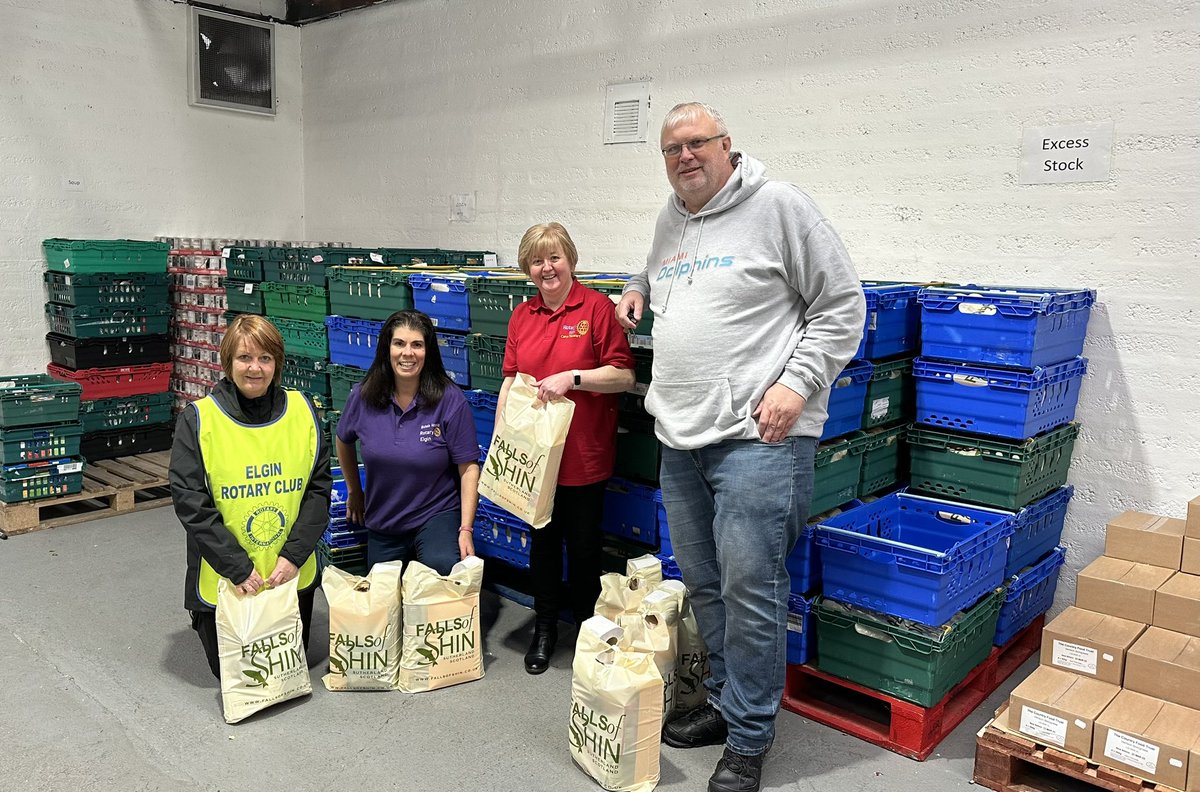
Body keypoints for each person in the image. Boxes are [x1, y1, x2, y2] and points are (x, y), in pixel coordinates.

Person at [616, 103, 866, 792]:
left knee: (752, 591)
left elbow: (843, 303)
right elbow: (660, 271)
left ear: (727, 145)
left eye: (697, 143)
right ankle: (729, 703)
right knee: (705, 584)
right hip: (680, 437)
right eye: (671, 149)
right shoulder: (670, 218)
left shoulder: (780, 206)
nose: (684, 157)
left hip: (759, 438)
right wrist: (636, 287)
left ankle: (751, 736)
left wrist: (797, 383)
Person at [499, 222, 635, 675]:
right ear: (528, 269)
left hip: (582, 454)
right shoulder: (522, 316)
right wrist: (501, 437)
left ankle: (585, 631)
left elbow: (624, 375)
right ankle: (544, 629)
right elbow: (511, 380)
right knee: (541, 545)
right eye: (537, 261)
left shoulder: (597, 309)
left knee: (582, 549)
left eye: (554, 257)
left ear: (571, 260)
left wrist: (573, 378)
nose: (547, 268)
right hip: (535, 457)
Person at [170, 314, 331, 680]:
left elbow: (318, 489)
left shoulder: (303, 412)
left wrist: (293, 556)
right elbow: (191, 502)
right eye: (244, 358)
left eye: (265, 358)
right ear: (228, 362)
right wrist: (238, 568)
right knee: (230, 672)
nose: (255, 368)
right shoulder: (199, 420)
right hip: (226, 574)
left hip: (287, 572)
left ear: (278, 364)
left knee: (289, 664)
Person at [335, 309, 479, 575]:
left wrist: (466, 529)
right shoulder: (363, 396)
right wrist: (354, 491)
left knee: (441, 570)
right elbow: (343, 440)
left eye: (417, 345)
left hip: (435, 514)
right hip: (384, 520)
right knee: (383, 591)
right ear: (386, 348)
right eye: (399, 343)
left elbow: (468, 468)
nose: (408, 353)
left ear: (428, 351)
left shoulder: (449, 399)